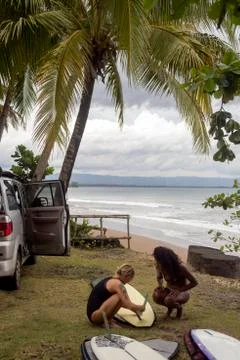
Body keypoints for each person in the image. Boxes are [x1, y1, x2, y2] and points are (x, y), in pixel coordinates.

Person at [152, 246, 198, 319]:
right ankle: (169, 309)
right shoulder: (159, 265)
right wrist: (160, 286)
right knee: (156, 296)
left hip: (182, 292)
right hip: (169, 289)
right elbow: (159, 277)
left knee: (169, 300)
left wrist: (180, 290)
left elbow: (194, 282)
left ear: (165, 260)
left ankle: (179, 309)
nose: (157, 261)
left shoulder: (180, 267)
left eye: (158, 259)